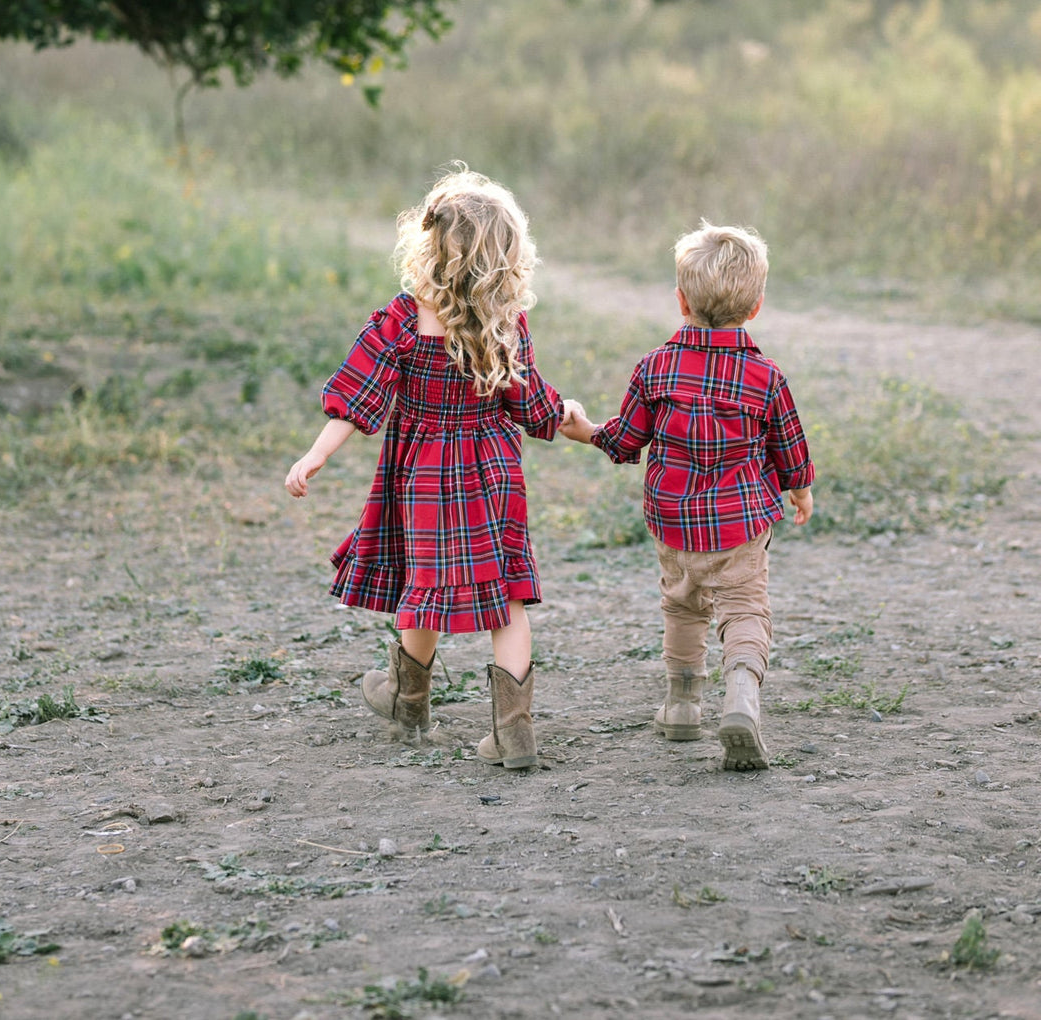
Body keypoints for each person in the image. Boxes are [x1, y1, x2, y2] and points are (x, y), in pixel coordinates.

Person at [284, 168, 564, 770]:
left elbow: (360, 398)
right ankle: (514, 733)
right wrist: (569, 416)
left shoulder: (405, 319)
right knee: (508, 597)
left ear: (430, 245)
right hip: (493, 476)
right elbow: (532, 405)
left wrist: (316, 454)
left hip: (426, 478)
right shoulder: (504, 323)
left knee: (424, 585)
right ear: (506, 256)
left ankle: (408, 700)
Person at [561, 221, 814, 771]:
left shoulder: (656, 367)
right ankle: (742, 696)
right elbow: (789, 444)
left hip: (673, 523)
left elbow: (626, 440)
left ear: (681, 302)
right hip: (742, 523)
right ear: (756, 308)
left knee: (682, 604)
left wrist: (581, 428)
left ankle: (682, 705)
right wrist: (800, 489)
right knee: (744, 608)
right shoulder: (766, 377)